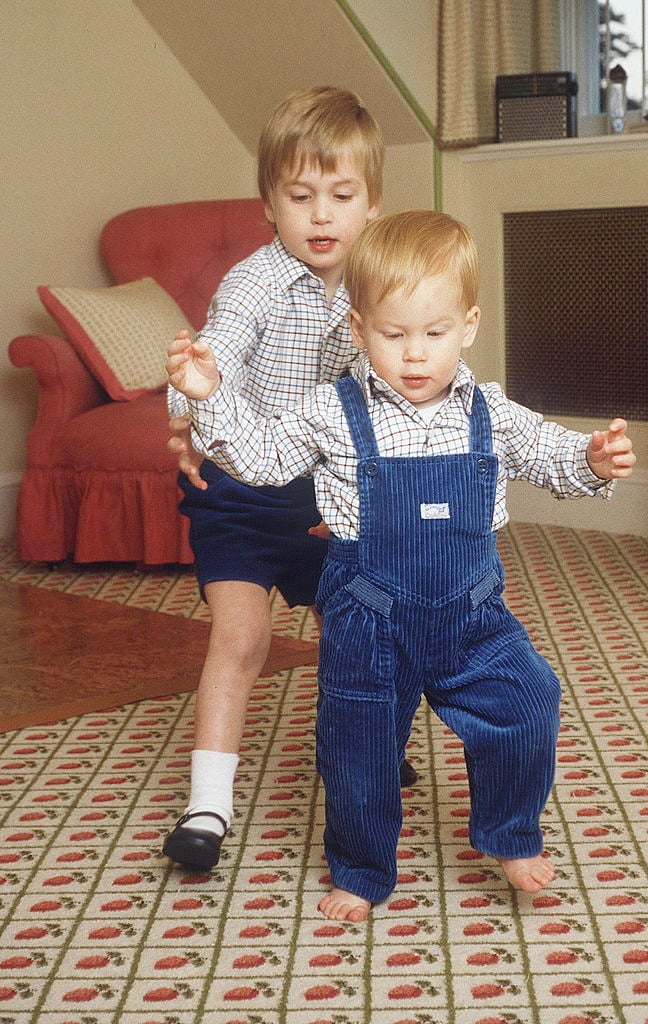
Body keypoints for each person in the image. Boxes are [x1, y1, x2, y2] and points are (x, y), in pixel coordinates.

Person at [166, 209, 637, 920]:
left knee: (530, 700)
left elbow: (550, 453)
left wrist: (592, 460)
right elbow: (261, 458)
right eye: (393, 335)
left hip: (473, 614)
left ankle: (509, 835)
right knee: (357, 750)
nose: (415, 355)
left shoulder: (490, 409)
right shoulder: (330, 410)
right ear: (359, 330)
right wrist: (211, 399)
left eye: (434, 333)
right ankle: (360, 868)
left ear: (468, 326)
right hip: (367, 619)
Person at [161, 85, 420, 874]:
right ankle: (207, 805)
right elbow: (212, 356)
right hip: (239, 496)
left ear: (371, 203)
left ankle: (366, 746)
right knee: (240, 639)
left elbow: (410, 374)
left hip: (331, 499)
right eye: (299, 197)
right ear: (268, 204)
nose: (320, 216)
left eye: (341, 196)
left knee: (376, 630)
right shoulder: (254, 284)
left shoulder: (381, 284)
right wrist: (189, 406)